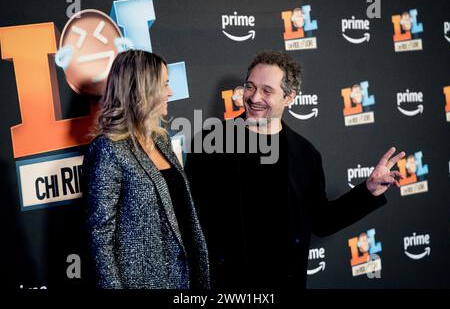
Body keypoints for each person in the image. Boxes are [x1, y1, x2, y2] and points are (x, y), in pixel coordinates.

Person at [185, 50, 405, 290]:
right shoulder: (211, 142)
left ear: (289, 97)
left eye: (267, 91)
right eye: (250, 87)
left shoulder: (305, 154)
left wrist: (368, 191)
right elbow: (189, 222)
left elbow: (322, 221)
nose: (254, 97)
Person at [82, 50, 210, 289]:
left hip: (185, 280)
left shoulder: (161, 140)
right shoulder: (108, 149)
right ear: (141, 90)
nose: (170, 92)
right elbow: (100, 236)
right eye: (164, 84)